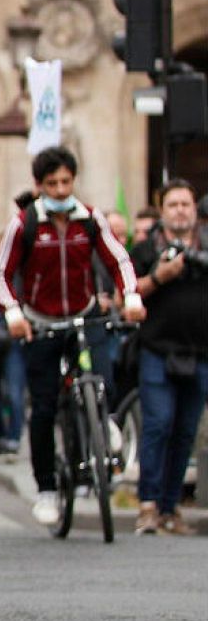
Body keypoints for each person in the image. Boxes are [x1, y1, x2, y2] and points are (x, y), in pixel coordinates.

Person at [0, 145, 144, 526]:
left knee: (101, 376)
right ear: (39, 185)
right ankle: (46, 488)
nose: (60, 190)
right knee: (42, 406)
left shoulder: (89, 219)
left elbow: (117, 258)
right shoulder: (24, 223)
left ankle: (103, 422)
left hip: (84, 314)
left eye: (66, 182)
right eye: (52, 183)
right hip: (40, 321)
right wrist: (12, 313)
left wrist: (132, 295)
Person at [128, 179, 208, 535]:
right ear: (162, 212)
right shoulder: (146, 249)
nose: (180, 211)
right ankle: (147, 505)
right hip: (158, 350)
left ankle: (170, 506)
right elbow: (128, 295)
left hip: (200, 352)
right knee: (158, 424)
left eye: (186, 204)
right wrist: (159, 277)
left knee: (185, 431)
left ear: (195, 210)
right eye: (173, 205)